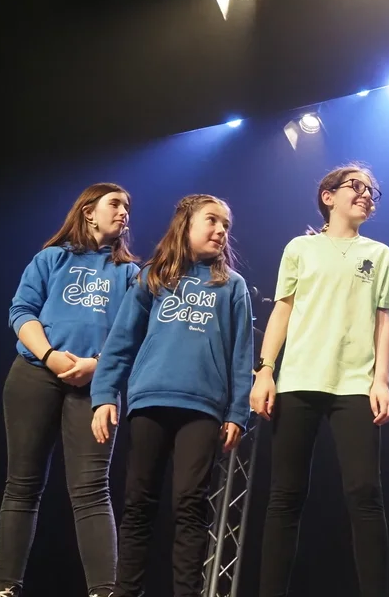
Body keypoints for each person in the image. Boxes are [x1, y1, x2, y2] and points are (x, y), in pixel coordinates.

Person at [89, 194, 254, 597]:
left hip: (203, 409)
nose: (221, 230)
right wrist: (104, 393)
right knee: (139, 503)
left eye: (226, 225)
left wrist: (237, 413)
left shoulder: (231, 286)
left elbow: (241, 355)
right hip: (150, 401)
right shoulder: (153, 276)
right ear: (186, 224)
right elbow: (121, 340)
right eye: (212, 220)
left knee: (190, 504)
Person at [250, 163, 389, 597]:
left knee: (365, 493)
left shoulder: (380, 253)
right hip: (298, 379)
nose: (366, 195)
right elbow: (283, 309)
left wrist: (381, 380)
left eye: (372, 191)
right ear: (328, 196)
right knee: (285, 495)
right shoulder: (300, 248)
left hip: (355, 384)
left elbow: (383, 321)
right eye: (357, 186)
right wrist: (265, 370)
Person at [0, 183, 139, 597]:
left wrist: (98, 366)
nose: (124, 212)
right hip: (35, 373)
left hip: (96, 385)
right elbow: (21, 311)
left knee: (92, 489)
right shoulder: (52, 258)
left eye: (128, 207)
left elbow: (133, 333)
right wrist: (50, 355)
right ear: (89, 211)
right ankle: (3, 588)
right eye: (115, 204)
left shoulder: (130, 273)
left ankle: (104, 591)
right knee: (22, 485)